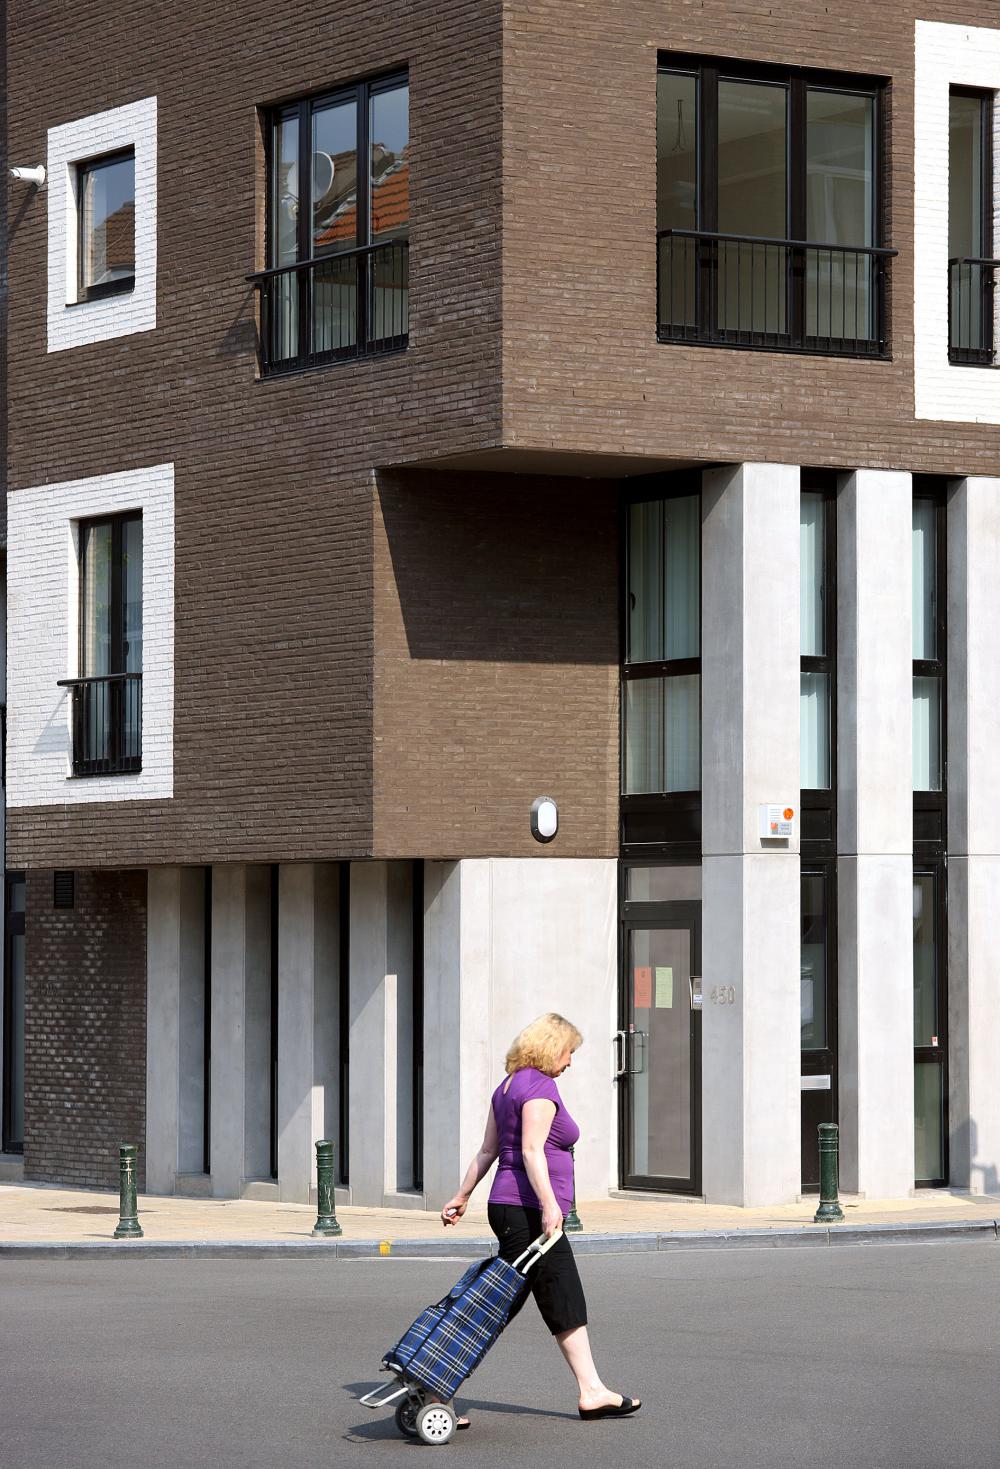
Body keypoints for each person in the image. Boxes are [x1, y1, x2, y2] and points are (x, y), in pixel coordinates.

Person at [441, 1012, 641, 1425]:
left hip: (513, 1207)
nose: (570, 1062)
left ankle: (592, 1390)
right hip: (529, 1211)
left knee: (555, 1293)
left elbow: (487, 1151)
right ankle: (437, 1387)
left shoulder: (507, 1087)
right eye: (569, 1052)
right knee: (499, 1303)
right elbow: (531, 1152)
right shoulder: (538, 1085)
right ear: (553, 1048)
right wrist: (551, 1206)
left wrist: (462, 1196)